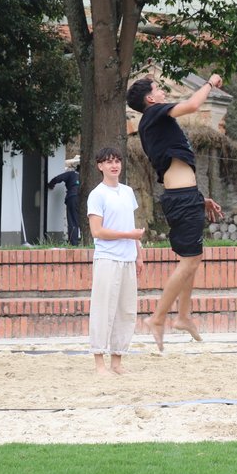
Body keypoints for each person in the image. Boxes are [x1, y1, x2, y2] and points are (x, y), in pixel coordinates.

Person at [126, 75, 225, 349]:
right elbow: (193, 105)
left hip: (185, 196)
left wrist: (198, 198)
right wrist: (210, 83)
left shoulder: (153, 125)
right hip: (181, 198)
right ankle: (158, 318)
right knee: (190, 262)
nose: (162, 92)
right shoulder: (154, 113)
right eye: (158, 89)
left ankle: (183, 316)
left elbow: (174, 169)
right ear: (150, 99)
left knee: (192, 259)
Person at [86, 147, 145, 374]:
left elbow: (131, 225)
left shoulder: (128, 192)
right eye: (109, 161)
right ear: (100, 166)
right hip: (107, 259)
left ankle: (117, 361)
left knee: (125, 310)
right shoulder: (97, 194)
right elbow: (97, 231)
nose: (114, 165)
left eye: (117, 161)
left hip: (128, 259)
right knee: (103, 309)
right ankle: (99, 360)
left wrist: (138, 254)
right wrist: (129, 236)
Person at [48, 161, 82, 245]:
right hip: (84, 199)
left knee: (73, 220)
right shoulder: (87, 177)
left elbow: (57, 178)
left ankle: (74, 243)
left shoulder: (71, 174)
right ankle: (84, 241)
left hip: (72, 198)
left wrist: (50, 185)